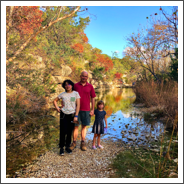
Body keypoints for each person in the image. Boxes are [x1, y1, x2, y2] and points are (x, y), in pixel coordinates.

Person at [69, 71, 96, 151]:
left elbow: (93, 98)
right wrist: (72, 107)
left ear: (87, 77)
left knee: (84, 127)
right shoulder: (75, 85)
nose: (84, 77)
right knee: (75, 127)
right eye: (83, 76)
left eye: (85, 76)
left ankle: (82, 142)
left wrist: (93, 109)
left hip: (86, 110)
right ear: (80, 76)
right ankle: (74, 142)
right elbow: (72, 96)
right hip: (76, 110)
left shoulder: (90, 86)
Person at [53, 79, 80, 156]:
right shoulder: (62, 94)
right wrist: (57, 108)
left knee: (69, 131)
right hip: (63, 114)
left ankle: (67, 147)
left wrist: (76, 115)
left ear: (71, 85)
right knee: (63, 131)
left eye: (68, 84)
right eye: (65, 85)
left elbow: (78, 105)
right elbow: (55, 100)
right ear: (64, 86)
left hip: (72, 115)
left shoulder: (76, 94)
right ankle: (61, 148)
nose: (67, 86)